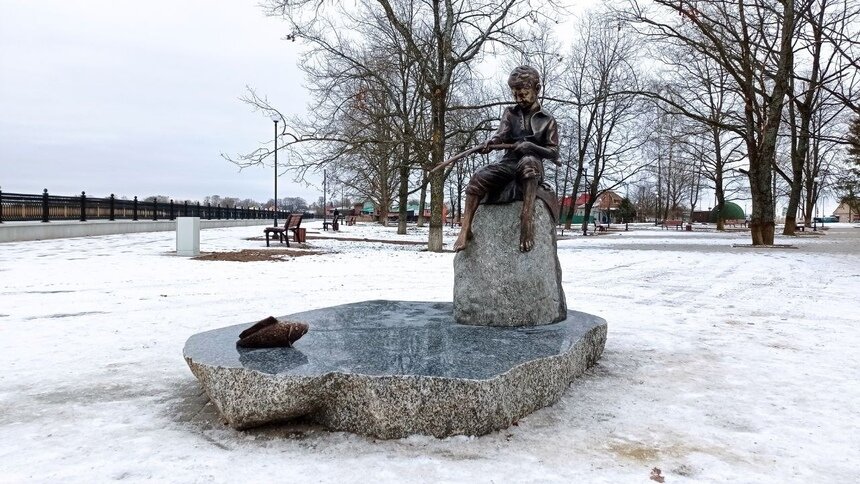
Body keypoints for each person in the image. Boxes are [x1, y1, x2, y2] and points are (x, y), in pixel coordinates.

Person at [452, 65, 560, 252]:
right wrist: (492, 142)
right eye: (515, 94)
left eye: (524, 94)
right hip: (509, 163)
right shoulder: (510, 113)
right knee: (479, 176)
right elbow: (501, 134)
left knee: (529, 163)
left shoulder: (547, 120)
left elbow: (553, 152)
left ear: (537, 89)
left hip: (532, 165)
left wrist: (531, 147)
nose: (519, 99)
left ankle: (526, 219)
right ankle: (466, 228)